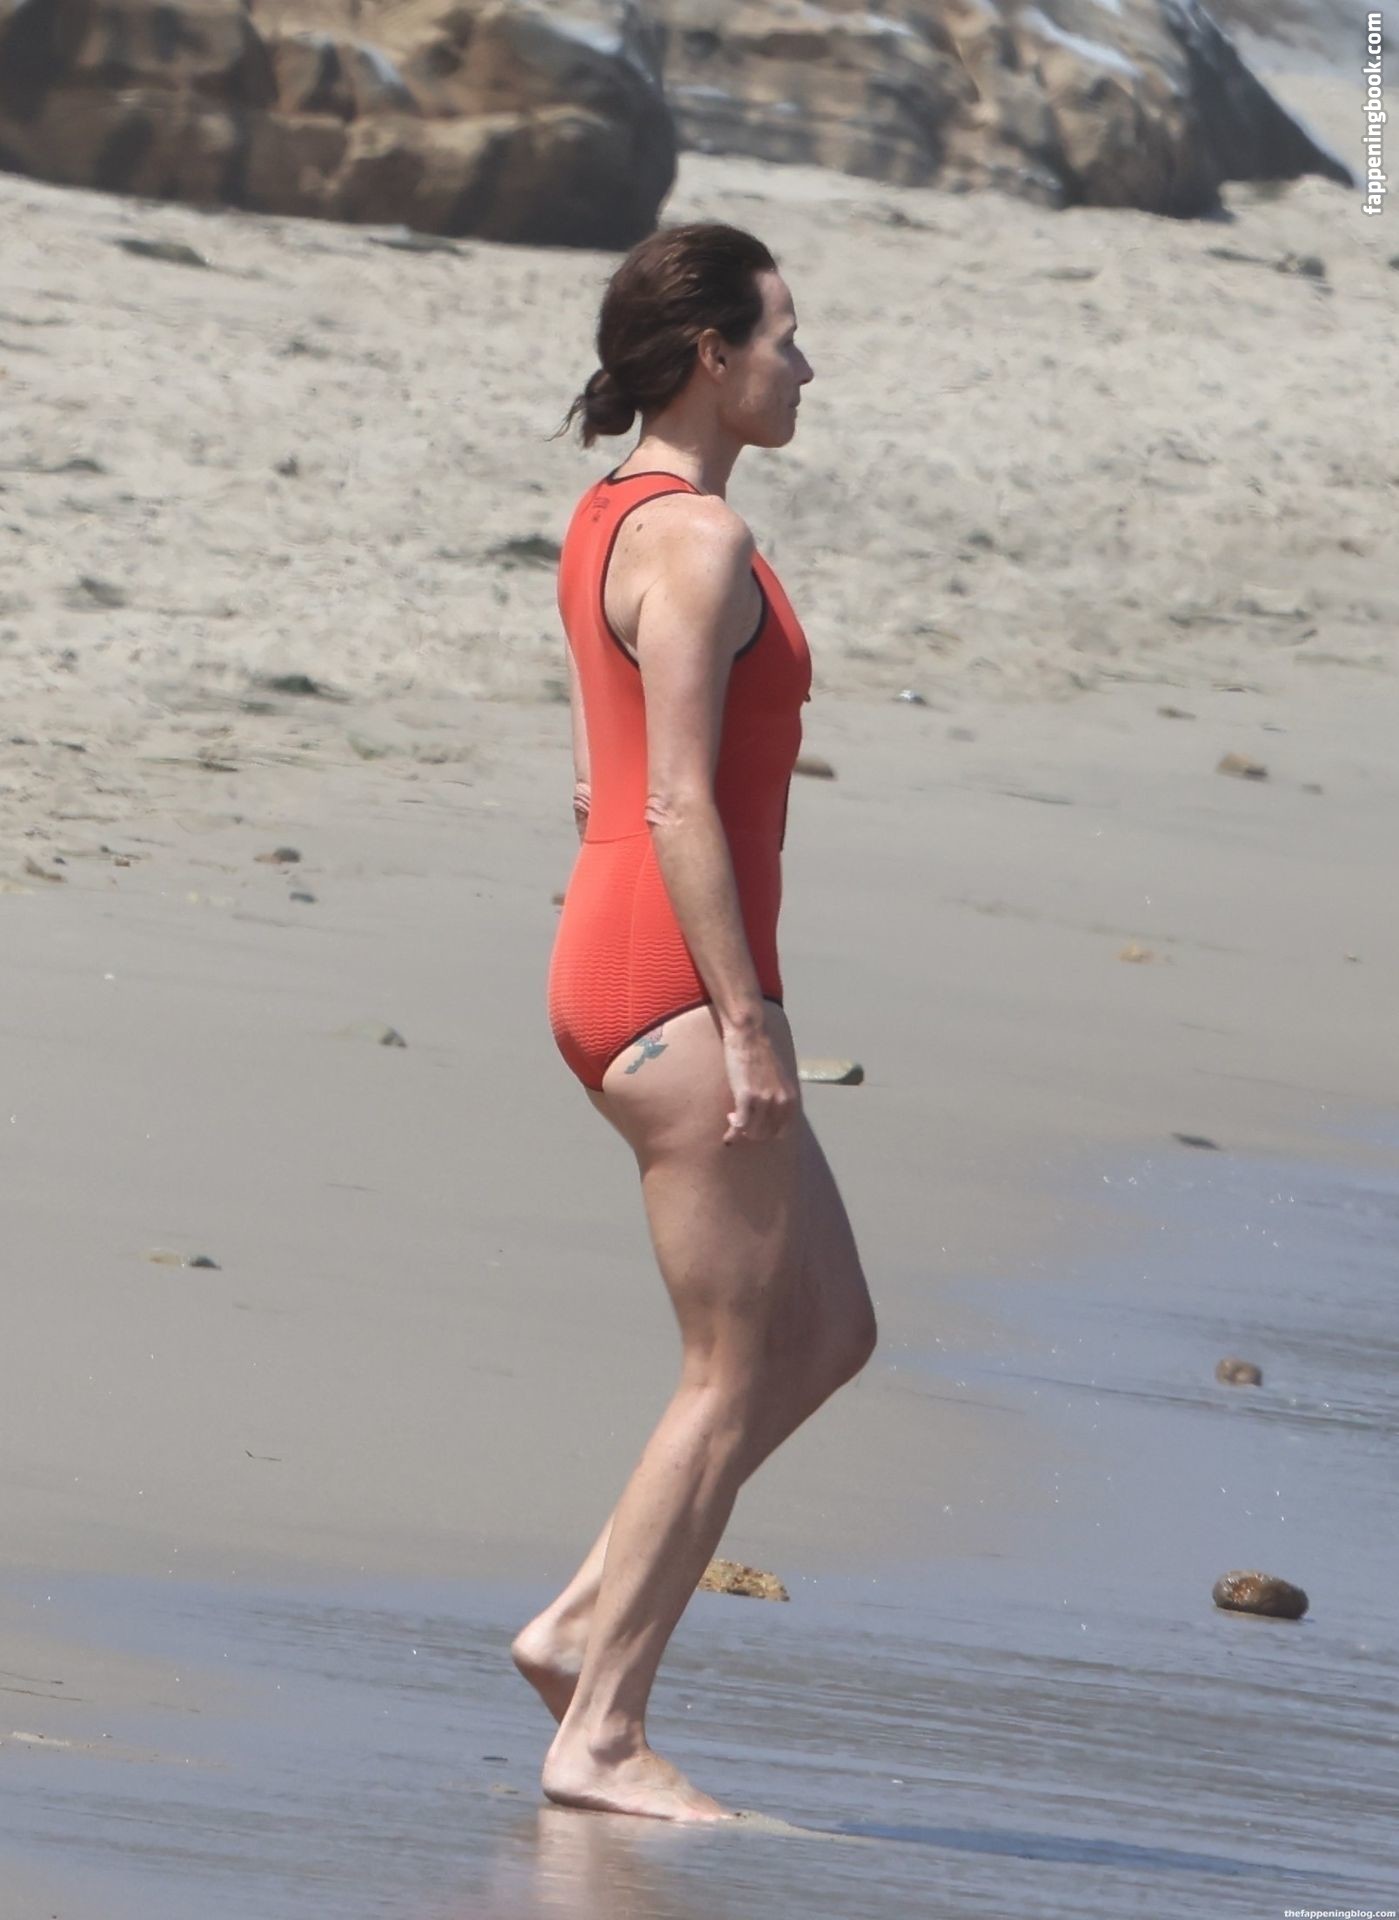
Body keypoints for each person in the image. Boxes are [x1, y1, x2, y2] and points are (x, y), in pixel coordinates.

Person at [512, 221, 877, 1824]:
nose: (807, 366)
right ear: (714, 356)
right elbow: (671, 801)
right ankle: (600, 1730)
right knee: (728, 1371)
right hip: (672, 986)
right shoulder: (701, 543)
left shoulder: (613, 515)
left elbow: (601, 779)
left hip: (624, 960)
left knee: (828, 1330)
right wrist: (749, 1022)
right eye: (785, 337)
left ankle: (581, 1622)